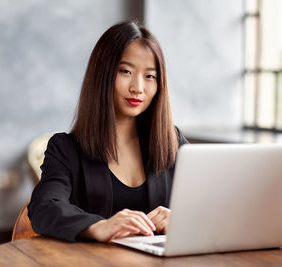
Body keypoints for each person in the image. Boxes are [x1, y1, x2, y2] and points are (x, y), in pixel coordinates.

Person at [27, 20, 188, 242]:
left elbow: (208, 205)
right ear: (102, 75)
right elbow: (44, 208)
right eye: (125, 71)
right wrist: (97, 226)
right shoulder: (65, 149)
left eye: (150, 76)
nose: (137, 87)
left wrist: (181, 219)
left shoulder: (173, 143)